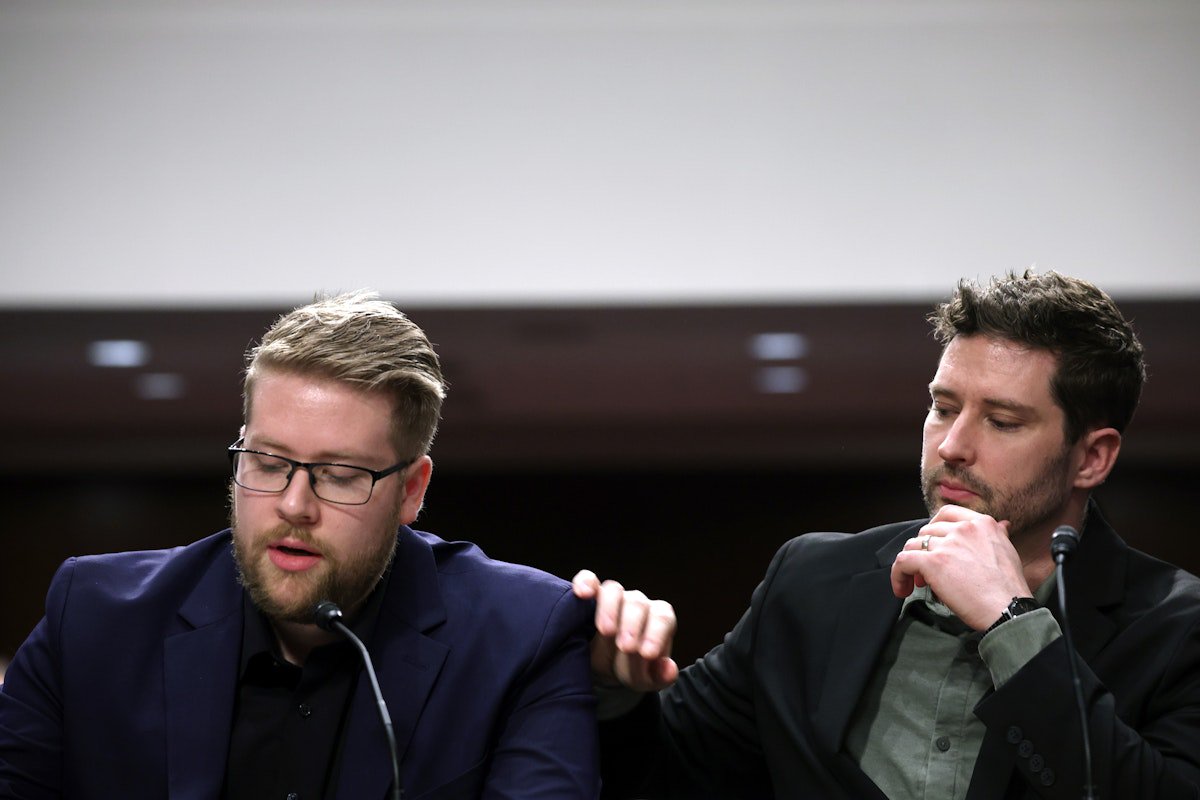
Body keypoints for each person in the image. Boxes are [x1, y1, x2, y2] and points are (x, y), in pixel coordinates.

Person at [576, 270, 1200, 799]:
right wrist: (613, 686)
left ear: (1092, 458)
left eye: (1003, 421)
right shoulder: (810, 581)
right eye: (944, 407)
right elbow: (672, 768)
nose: (952, 447)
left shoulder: (1177, 628)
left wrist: (1013, 625)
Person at [0, 291, 600, 799]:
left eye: (340, 475)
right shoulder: (95, 618)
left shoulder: (526, 636)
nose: (294, 505)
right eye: (267, 462)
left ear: (412, 492)